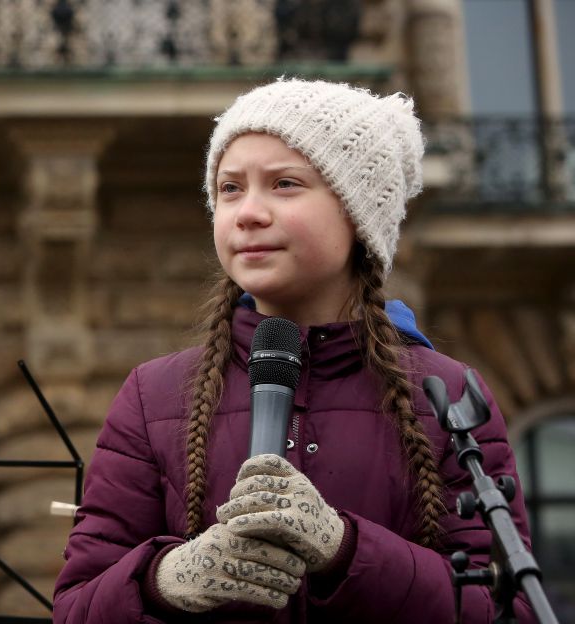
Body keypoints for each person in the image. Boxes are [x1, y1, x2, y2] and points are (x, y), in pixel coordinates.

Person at [52, 78, 534, 622]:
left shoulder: (448, 399)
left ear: (358, 213)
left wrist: (344, 549)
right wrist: (167, 580)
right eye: (230, 189)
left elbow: (508, 610)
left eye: (284, 184)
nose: (248, 212)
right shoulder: (153, 396)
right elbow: (76, 606)